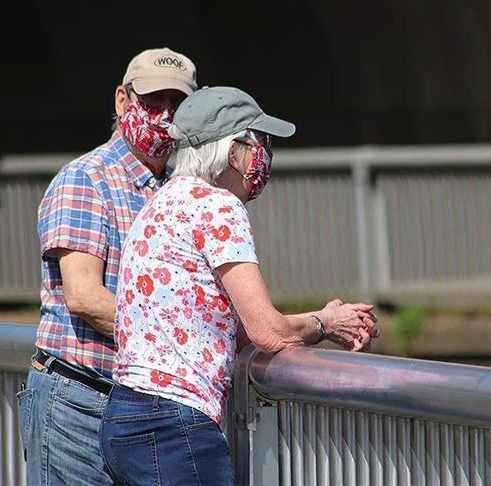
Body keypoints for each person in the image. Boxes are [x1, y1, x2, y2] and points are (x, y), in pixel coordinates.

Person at [100, 86, 381, 486]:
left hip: (124, 416)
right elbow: (267, 331)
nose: (264, 154)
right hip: (173, 426)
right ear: (233, 152)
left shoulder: (162, 202)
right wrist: (326, 323)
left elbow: (225, 327)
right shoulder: (218, 206)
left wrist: (323, 320)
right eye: (259, 142)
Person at [18, 47, 197, 485]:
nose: (165, 114)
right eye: (153, 101)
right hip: (78, 402)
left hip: (148, 406)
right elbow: (84, 297)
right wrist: (178, 344)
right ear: (122, 100)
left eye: (178, 103)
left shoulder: (181, 190)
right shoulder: (86, 179)